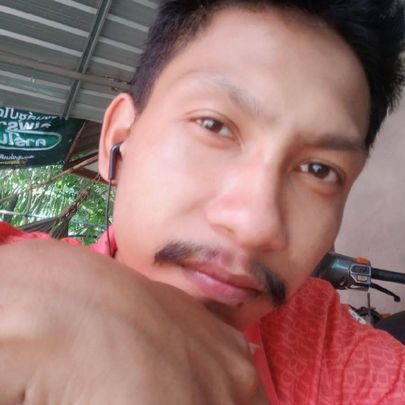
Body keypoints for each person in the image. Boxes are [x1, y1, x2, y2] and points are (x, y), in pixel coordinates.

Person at [0, 0, 404, 403]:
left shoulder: (324, 337)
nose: (256, 225)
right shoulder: (20, 282)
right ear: (119, 139)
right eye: (214, 125)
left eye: (319, 169)